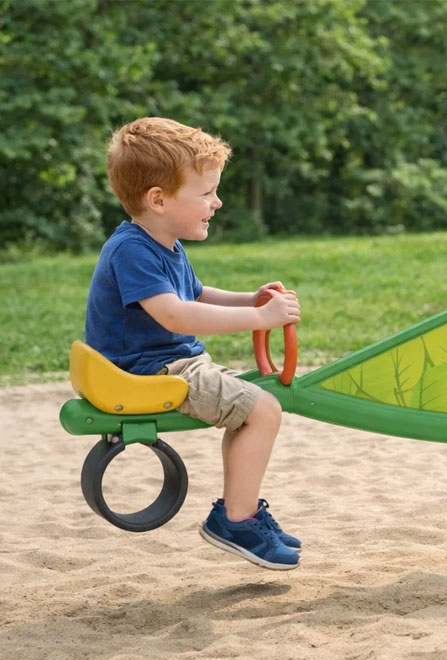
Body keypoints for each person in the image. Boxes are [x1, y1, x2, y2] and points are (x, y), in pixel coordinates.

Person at [85, 117, 302, 569]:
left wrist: (250, 298)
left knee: (254, 407)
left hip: (172, 363)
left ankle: (240, 512)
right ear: (158, 200)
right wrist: (259, 318)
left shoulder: (162, 243)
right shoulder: (132, 250)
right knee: (263, 410)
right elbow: (175, 314)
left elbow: (196, 295)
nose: (217, 202)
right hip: (151, 372)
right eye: (206, 193)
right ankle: (237, 520)